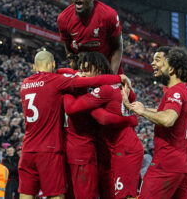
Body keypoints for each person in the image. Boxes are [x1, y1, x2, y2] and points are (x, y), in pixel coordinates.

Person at [18, 51, 131, 199]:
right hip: (51, 150)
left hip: (27, 148)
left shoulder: (25, 83)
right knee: (57, 195)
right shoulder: (56, 81)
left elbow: (65, 73)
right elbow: (89, 83)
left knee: (26, 194)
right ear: (52, 65)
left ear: (34, 67)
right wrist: (117, 77)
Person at [63, 52, 141, 199]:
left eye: (86, 70)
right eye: (80, 70)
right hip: (113, 150)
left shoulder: (104, 89)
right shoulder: (117, 86)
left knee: (124, 196)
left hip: (124, 150)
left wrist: (67, 93)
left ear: (98, 69)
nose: (82, 74)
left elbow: (101, 118)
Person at [122, 47, 187, 199]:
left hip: (166, 164)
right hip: (183, 165)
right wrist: (133, 107)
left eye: (158, 60)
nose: (153, 63)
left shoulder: (175, 92)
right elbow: (164, 112)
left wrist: (143, 112)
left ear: (172, 69)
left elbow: (168, 119)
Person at [58, 0, 123, 74]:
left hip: (107, 66)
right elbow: (69, 50)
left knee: (123, 88)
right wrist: (76, 69)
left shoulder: (108, 15)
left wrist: (112, 76)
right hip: (83, 69)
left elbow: (117, 46)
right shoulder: (63, 18)